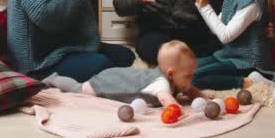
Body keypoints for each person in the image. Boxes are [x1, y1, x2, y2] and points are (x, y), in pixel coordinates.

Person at [43, 40, 201, 107]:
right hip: (108, 83)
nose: (191, 80)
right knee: (79, 88)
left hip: (118, 75)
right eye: (188, 76)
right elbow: (167, 100)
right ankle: (54, 78)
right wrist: (176, 109)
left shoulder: (176, 80)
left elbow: (189, 89)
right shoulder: (161, 84)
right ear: (171, 73)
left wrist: (203, 97)